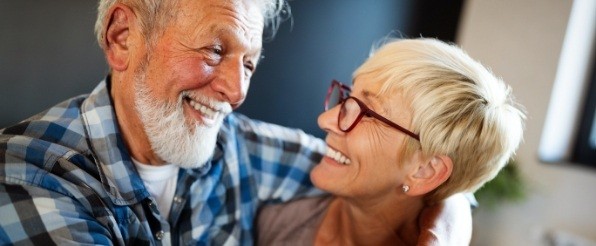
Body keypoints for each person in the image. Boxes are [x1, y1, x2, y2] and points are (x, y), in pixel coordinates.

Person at [0, 1, 472, 245]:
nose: (237, 90)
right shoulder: (30, 174)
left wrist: (445, 229)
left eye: (249, 63)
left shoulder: (234, 148)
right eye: (215, 50)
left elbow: (405, 172)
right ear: (123, 37)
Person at [257, 38, 526, 245]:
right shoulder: (277, 225)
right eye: (348, 97)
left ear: (425, 170)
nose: (326, 119)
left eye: (367, 113)